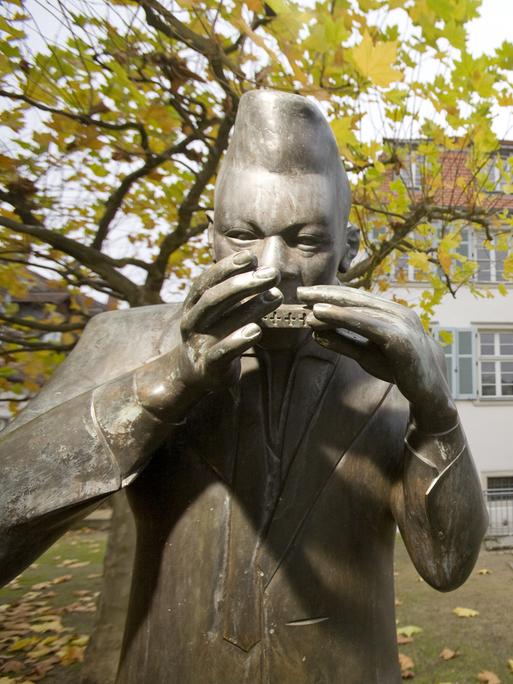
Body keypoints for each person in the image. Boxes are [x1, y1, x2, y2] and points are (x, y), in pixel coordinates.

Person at [0, 90, 487, 683]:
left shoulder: (394, 367)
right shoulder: (125, 343)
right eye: (242, 235)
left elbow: (446, 564)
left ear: (350, 253)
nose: (270, 267)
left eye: (306, 241)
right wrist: (164, 386)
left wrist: (436, 412)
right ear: (210, 235)